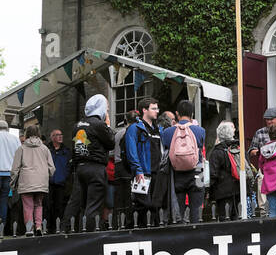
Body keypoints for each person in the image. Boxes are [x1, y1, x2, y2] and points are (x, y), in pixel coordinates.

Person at [63, 94, 115, 230]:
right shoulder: (99, 125)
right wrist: (108, 126)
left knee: (78, 203)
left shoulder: (77, 125)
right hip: (96, 168)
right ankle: (89, 234)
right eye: (107, 109)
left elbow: (74, 148)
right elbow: (111, 143)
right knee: (94, 204)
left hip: (80, 167)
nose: (107, 112)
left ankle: (67, 229)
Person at [160, 100, 207, 224]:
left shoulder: (167, 133)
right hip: (197, 171)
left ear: (177, 113)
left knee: (178, 212)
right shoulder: (200, 131)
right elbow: (201, 147)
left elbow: (165, 148)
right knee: (196, 211)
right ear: (192, 114)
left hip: (176, 173)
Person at [123, 97, 161, 227]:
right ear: (144, 110)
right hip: (142, 173)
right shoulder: (135, 128)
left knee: (155, 206)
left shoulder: (158, 129)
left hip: (157, 173)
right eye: (153, 108)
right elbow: (131, 151)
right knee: (142, 205)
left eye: (157, 108)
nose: (157, 111)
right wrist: (137, 169)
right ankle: (138, 231)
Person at [10, 123, 54, 236]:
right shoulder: (45, 149)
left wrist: (13, 182)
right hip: (41, 182)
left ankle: (29, 229)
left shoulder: (22, 148)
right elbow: (52, 167)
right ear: (38, 134)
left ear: (26, 134)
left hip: (26, 182)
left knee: (27, 206)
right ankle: (39, 226)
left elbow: (15, 168)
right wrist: (46, 176)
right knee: (38, 204)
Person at [248, 107, 276, 215]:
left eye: (271, 119)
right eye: (267, 119)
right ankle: (264, 212)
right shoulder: (260, 132)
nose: (269, 121)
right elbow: (251, 150)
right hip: (265, 167)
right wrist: (258, 152)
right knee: (261, 185)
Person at [0, 119, 20, 229]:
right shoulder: (15, 139)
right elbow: (19, 156)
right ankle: (2, 225)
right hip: (9, 173)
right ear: (7, 128)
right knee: (4, 198)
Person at [207, 120, 242, 221]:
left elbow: (213, 174)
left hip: (222, 192)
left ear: (219, 135)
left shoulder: (217, 152)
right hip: (238, 190)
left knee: (224, 219)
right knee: (237, 217)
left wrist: (209, 191)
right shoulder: (238, 148)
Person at [46, 128, 70, 232]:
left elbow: (69, 165)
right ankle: (47, 227)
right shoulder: (47, 150)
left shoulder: (66, 151)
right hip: (48, 182)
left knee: (59, 206)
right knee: (47, 206)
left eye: (61, 134)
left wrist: (65, 175)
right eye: (57, 135)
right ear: (52, 138)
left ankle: (58, 227)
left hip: (61, 182)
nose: (60, 136)